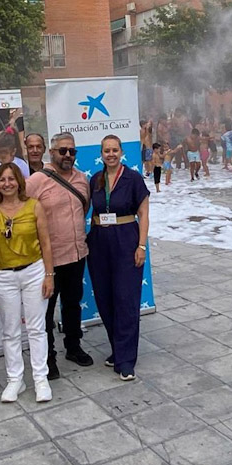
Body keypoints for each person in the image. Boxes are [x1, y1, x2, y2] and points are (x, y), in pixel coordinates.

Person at [0, 163, 55, 402]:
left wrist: (49, 275)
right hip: (2, 276)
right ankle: (15, 380)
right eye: (2, 180)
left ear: (19, 182)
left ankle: (41, 379)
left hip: (33, 272)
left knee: (36, 328)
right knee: (10, 331)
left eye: (12, 179)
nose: (7, 183)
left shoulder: (34, 207)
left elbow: (46, 244)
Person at [27, 132, 94, 380]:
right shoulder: (36, 181)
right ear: (51, 152)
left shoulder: (81, 179)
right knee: (46, 311)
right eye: (62, 151)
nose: (68, 155)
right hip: (48, 260)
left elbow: (83, 209)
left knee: (73, 304)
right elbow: (24, 214)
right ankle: (48, 358)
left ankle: (73, 347)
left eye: (72, 151)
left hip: (76, 255)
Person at [87, 135, 150, 381]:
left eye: (114, 150)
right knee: (105, 298)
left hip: (126, 240)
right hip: (100, 242)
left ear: (121, 152)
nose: (110, 154)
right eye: (106, 150)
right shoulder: (96, 180)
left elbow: (143, 214)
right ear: (101, 153)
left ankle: (126, 360)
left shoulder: (133, 179)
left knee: (126, 299)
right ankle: (117, 348)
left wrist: (141, 245)